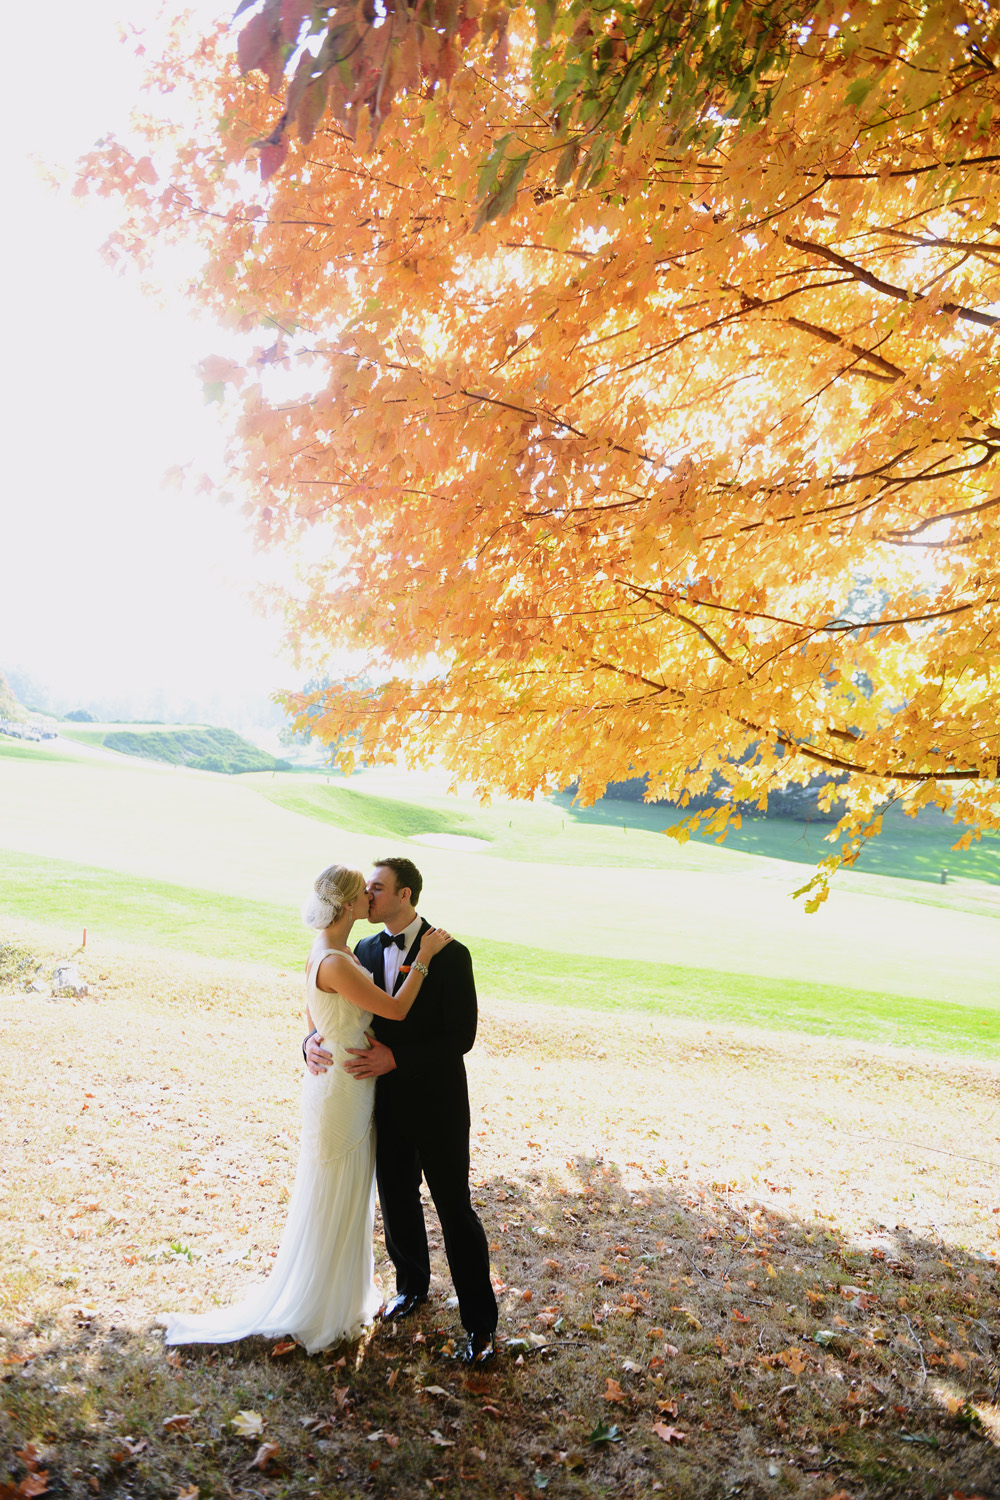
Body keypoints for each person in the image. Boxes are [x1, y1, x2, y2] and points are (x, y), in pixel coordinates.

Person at [158, 863, 451, 1354]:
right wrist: (422, 956)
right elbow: (394, 1010)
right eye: (364, 893)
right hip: (341, 1089)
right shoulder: (334, 959)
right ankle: (320, 1304)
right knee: (336, 1187)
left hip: (346, 1081)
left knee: (346, 1189)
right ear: (347, 905)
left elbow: (316, 1013)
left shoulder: (336, 951)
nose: (370, 898)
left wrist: (317, 1036)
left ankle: (338, 1295)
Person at [305, 857, 498, 1365]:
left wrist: (399, 1056)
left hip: (437, 1104)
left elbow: (463, 1037)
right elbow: (333, 1008)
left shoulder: (451, 953)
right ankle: (412, 1288)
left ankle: (481, 1327)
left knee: (455, 1211)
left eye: (376, 889)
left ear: (405, 895)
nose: (366, 898)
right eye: (365, 890)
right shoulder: (361, 949)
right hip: (379, 1102)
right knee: (396, 1202)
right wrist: (309, 1040)